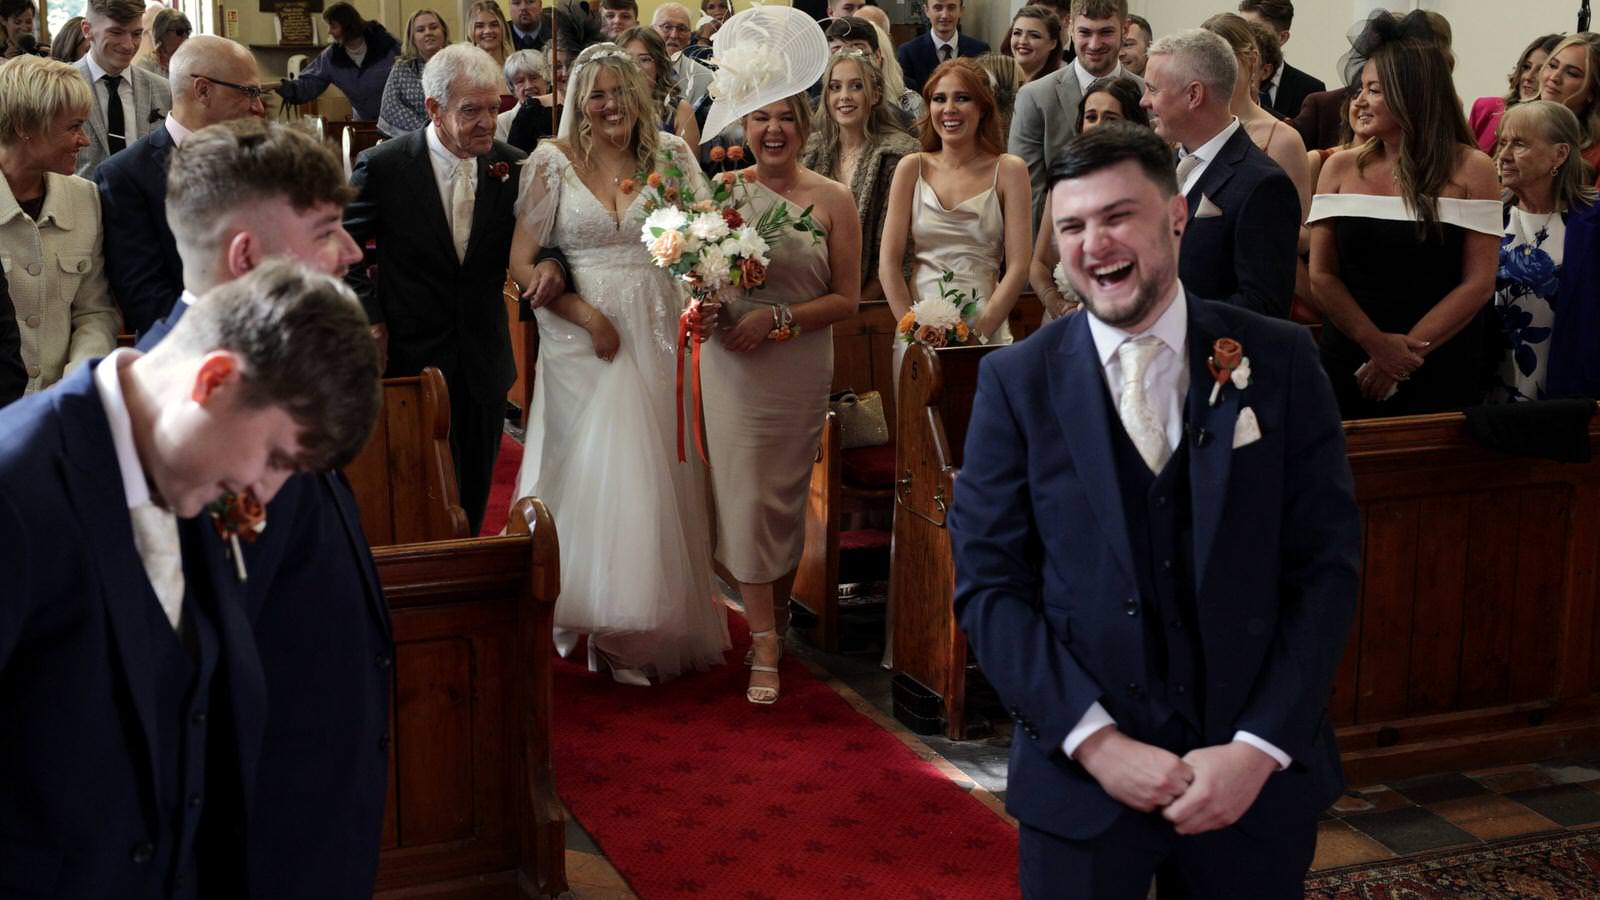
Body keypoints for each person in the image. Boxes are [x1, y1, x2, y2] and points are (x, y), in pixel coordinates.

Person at [950, 120, 1359, 900]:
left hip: (1248, 778)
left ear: (1174, 216)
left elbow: (1325, 571)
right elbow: (990, 587)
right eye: (1071, 226)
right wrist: (1096, 742)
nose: (1094, 244)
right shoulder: (1017, 382)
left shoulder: (1278, 360)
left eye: (1117, 216)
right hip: (1081, 788)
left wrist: (1257, 747)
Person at [0, 258, 380, 898]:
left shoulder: (191, 481)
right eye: (277, 458)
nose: (265, 491)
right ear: (216, 380)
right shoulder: (16, 486)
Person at [136, 117, 392, 900]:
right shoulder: (175, 425)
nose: (350, 251)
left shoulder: (282, 370)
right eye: (325, 230)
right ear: (245, 258)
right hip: (259, 827)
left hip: (321, 794)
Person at [508, 42, 729, 683]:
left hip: (659, 321)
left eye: (621, 92)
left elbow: (705, 237)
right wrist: (582, 313)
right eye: (597, 94)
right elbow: (521, 261)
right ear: (579, 101)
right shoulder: (551, 163)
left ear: (640, 94)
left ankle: (643, 622)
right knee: (582, 467)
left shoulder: (673, 155)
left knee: (653, 466)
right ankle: (581, 605)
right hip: (581, 333)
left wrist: (703, 290)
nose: (611, 106)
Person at [695, 6, 859, 704]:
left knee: (784, 506)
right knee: (743, 501)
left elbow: (849, 298)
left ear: (805, 126)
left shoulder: (835, 200)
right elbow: (702, 280)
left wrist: (781, 319)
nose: (773, 129)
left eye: (786, 116)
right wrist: (702, 310)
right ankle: (764, 647)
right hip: (730, 366)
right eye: (760, 117)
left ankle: (779, 617)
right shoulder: (724, 193)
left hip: (795, 366)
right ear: (744, 126)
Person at [345, 43, 552, 536]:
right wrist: (369, 315)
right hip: (411, 355)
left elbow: (546, 242)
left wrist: (553, 270)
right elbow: (340, 249)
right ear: (433, 109)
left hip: (483, 354)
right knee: (416, 486)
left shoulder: (514, 165)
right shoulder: (386, 165)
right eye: (471, 110)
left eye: (493, 108)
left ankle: (467, 576)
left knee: (476, 484)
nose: (487, 121)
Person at [1309, 11, 1500, 419]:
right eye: (1360, 88)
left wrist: (1402, 355)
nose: (1358, 101)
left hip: (1439, 360)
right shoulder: (1338, 168)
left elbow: (1478, 282)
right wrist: (1375, 344)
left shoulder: (1474, 170)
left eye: (1374, 90)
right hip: (1349, 355)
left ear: (1413, 95)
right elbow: (1322, 275)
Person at [96, 34, 265, 337]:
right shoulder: (126, 175)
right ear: (202, 90)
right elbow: (145, 298)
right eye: (250, 92)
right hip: (187, 351)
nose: (259, 107)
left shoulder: (260, 160)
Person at [1141, 29, 1299, 318]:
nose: (1144, 101)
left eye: (1153, 89)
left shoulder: (1262, 184)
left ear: (1194, 95)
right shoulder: (1158, 168)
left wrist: (1165, 318)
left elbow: (1263, 306)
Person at [882, 58, 1030, 345]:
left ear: (983, 107)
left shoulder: (1010, 170)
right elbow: (888, 263)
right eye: (939, 99)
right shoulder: (912, 168)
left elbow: (1018, 266)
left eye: (962, 98)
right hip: (917, 327)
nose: (949, 109)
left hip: (985, 325)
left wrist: (980, 334)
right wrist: (912, 332)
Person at [0, 55, 118, 393]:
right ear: (25, 126)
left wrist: (74, 385)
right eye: (74, 127)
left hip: (61, 407)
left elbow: (95, 311)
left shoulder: (85, 198)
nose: (85, 140)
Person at [1486, 101, 1596, 402]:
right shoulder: (1489, 215)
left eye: (1519, 144)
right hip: (1491, 384)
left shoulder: (1594, 220)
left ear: (1559, 154)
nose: (1503, 156)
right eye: (1502, 142)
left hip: (1570, 386)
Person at [1010, 0, 1140, 230]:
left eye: (1106, 32)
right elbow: (1027, 194)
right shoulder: (1035, 96)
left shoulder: (1146, 94)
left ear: (1125, 28)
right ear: (1069, 26)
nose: (1094, 43)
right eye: (1085, 32)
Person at [804, 49, 918, 306]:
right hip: (811, 299)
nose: (844, 96)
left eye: (856, 86)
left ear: (875, 94)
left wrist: (855, 305)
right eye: (835, 87)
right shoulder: (809, 151)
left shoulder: (898, 154)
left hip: (874, 302)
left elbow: (900, 251)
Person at [1029, 74, 1147, 321]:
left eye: (1111, 118)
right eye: (1091, 117)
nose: (1098, 125)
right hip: (1062, 319)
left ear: (1133, 124)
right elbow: (1038, 265)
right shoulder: (1063, 182)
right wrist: (1056, 303)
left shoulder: (1148, 188)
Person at [1201, 14, 1310, 219]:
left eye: (1221, 60)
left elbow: (1302, 232)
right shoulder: (1188, 129)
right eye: (1202, 61)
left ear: (1251, 61)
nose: (1210, 71)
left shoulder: (1284, 139)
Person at [73, 0, 171, 177]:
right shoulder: (61, 87)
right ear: (87, 30)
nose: (128, 45)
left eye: (136, 34)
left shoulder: (163, 89)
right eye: (116, 32)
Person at [275, 2, 398, 121]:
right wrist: (280, 86)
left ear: (349, 27)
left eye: (334, 26)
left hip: (396, 123)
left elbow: (412, 67)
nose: (329, 31)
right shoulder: (331, 57)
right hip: (363, 125)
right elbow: (308, 85)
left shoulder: (386, 45)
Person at [1471, 34, 1562, 155]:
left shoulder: (1557, 130)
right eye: (1526, 67)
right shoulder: (1485, 108)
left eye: (1541, 70)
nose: (1528, 77)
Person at [825, 17, 922, 129]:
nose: (848, 59)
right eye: (837, 51)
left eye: (858, 51)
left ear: (877, 56)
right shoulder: (812, 117)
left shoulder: (905, 123)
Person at [1236, 0, 1323, 119]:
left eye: (1255, 30)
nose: (1242, 38)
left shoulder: (1311, 90)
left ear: (1282, 37)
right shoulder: (1228, 83)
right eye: (1240, 29)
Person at [619, 25, 698, 147]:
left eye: (644, 59)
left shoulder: (680, 110)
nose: (635, 67)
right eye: (628, 59)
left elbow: (689, 164)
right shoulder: (610, 107)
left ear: (659, 64)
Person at [377, 8, 449, 137]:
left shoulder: (458, 64)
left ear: (443, 32)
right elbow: (392, 108)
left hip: (455, 135)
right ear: (412, 38)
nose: (428, 33)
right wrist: (429, 133)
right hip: (412, 140)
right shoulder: (402, 68)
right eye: (420, 30)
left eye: (433, 27)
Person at [1539, 33, 1600, 180]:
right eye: (1552, 65)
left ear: (1593, 90)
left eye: (1572, 73)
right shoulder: (1512, 123)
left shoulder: (1595, 154)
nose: (1554, 77)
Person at [895, 0, 987, 95]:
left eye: (951, 7)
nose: (945, 15)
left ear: (961, 10)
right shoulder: (908, 53)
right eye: (938, 8)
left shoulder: (980, 51)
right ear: (926, 10)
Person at [652, 2, 712, 107]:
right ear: (652, 31)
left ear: (689, 37)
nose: (674, 35)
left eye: (681, 29)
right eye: (667, 27)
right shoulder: (635, 68)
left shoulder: (706, 78)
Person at [497, 48, 554, 142]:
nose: (528, 86)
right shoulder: (502, 123)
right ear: (512, 87)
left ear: (547, 80)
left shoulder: (561, 114)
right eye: (520, 81)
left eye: (534, 78)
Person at [1004, 6, 1062, 85]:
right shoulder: (994, 80)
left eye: (1034, 35)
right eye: (1017, 33)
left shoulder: (1059, 86)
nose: (1023, 41)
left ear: (1052, 44)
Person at [136, 6, 188, 77]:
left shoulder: (189, 60)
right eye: (179, 32)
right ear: (163, 33)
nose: (185, 36)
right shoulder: (146, 65)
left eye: (187, 31)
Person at [467, 0, 513, 69]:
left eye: (494, 25)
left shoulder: (517, 67)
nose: (487, 31)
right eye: (480, 26)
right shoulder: (465, 70)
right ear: (471, 30)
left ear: (503, 28)